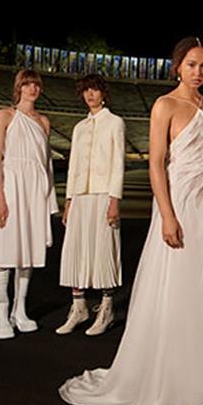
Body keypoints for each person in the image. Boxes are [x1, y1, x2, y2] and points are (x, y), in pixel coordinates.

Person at [58, 37, 203, 405]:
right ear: (177, 66)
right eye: (191, 64)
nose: (198, 72)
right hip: (180, 205)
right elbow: (156, 165)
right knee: (180, 288)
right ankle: (176, 380)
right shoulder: (164, 105)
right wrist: (167, 214)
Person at [0, 69, 57, 338]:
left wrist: (47, 199)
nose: (32, 89)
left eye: (36, 85)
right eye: (27, 84)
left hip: (34, 191)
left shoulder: (44, 122)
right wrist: (1, 197)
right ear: (19, 88)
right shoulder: (5, 115)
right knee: (4, 250)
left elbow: (45, 164)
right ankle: (0, 313)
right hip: (11, 188)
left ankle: (20, 309)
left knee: (27, 252)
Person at [56, 73, 125, 336]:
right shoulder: (79, 128)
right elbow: (73, 166)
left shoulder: (115, 123)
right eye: (86, 91)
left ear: (103, 93)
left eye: (94, 90)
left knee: (104, 249)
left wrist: (114, 200)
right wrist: (69, 200)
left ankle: (106, 309)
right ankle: (79, 307)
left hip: (104, 194)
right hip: (80, 196)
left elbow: (118, 163)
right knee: (76, 248)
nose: (90, 95)